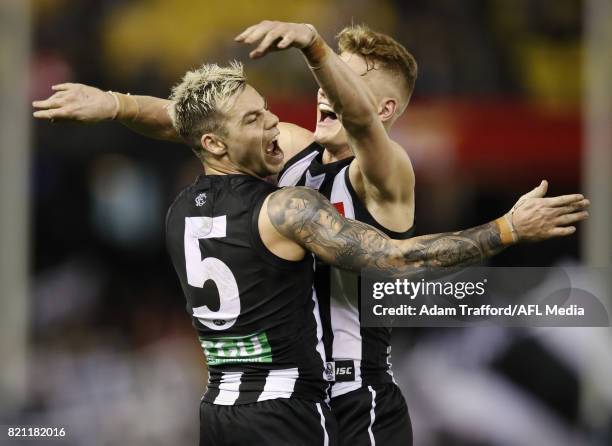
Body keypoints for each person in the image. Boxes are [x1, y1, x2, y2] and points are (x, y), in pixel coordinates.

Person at [33, 25, 590, 446]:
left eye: (344, 79)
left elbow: (367, 136)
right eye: (326, 75)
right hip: (291, 395)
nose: (324, 89)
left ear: (384, 106)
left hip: (358, 395)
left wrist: (318, 51)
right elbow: (199, 127)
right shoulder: (294, 149)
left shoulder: (385, 172)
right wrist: (115, 104)